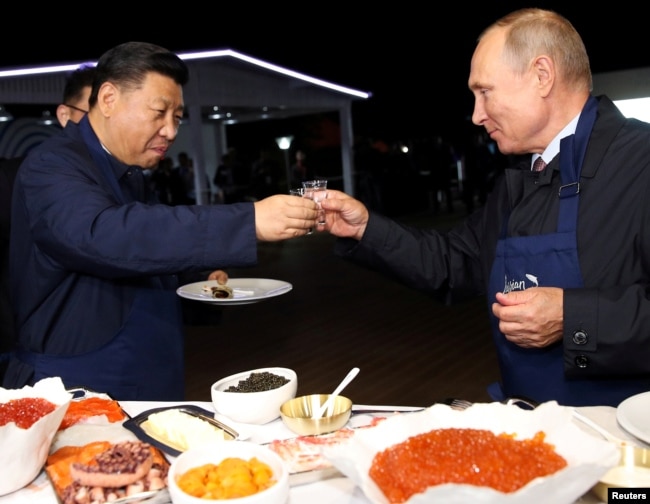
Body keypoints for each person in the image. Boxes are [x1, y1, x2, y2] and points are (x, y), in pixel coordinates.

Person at [320, 8, 650, 407]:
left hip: (621, 442)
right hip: (530, 430)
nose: (477, 115)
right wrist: (364, 228)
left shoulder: (640, 161)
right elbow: (453, 263)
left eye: (485, 91)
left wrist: (572, 317)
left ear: (541, 75)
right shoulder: (526, 173)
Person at [5, 42, 317, 400]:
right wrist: (248, 221)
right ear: (108, 99)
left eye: (178, 117)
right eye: (159, 112)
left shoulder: (131, 171)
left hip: (148, 368)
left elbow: (151, 246)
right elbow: (104, 235)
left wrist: (197, 277)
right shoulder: (53, 164)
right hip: (79, 380)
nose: (170, 130)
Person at [1, 65, 96, 382]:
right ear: (65, 115)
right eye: (92, 112)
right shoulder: (18, 176)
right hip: (23, 346)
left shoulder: (121, 182)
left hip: (86, 353)